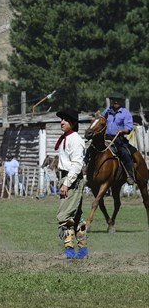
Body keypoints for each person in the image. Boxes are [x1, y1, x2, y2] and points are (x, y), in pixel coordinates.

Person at [55, 108, 87, 259]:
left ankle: (69, 250)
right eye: (61, 119)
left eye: (65, 120)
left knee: (65, 215)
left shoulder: (75, 140)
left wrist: (66, 183)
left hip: (72, 180)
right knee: (77, 216)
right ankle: (82, 251)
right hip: (66, 178)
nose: (62, 122)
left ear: (73, 123)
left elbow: (76, 164)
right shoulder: (65, 138)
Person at [101, 92, 135, 185]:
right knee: (92, 149)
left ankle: (130, 175)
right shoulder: (107, 110)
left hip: (118, 139)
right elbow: (101, 120)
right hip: (105, 137)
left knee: (125, 154)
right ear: (112, 101)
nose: (116, 102)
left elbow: (129, 128)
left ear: (121, 102)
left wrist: (122, 130)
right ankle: (88, 171)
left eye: (118, 100)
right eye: (114, 100)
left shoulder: (125, 113)